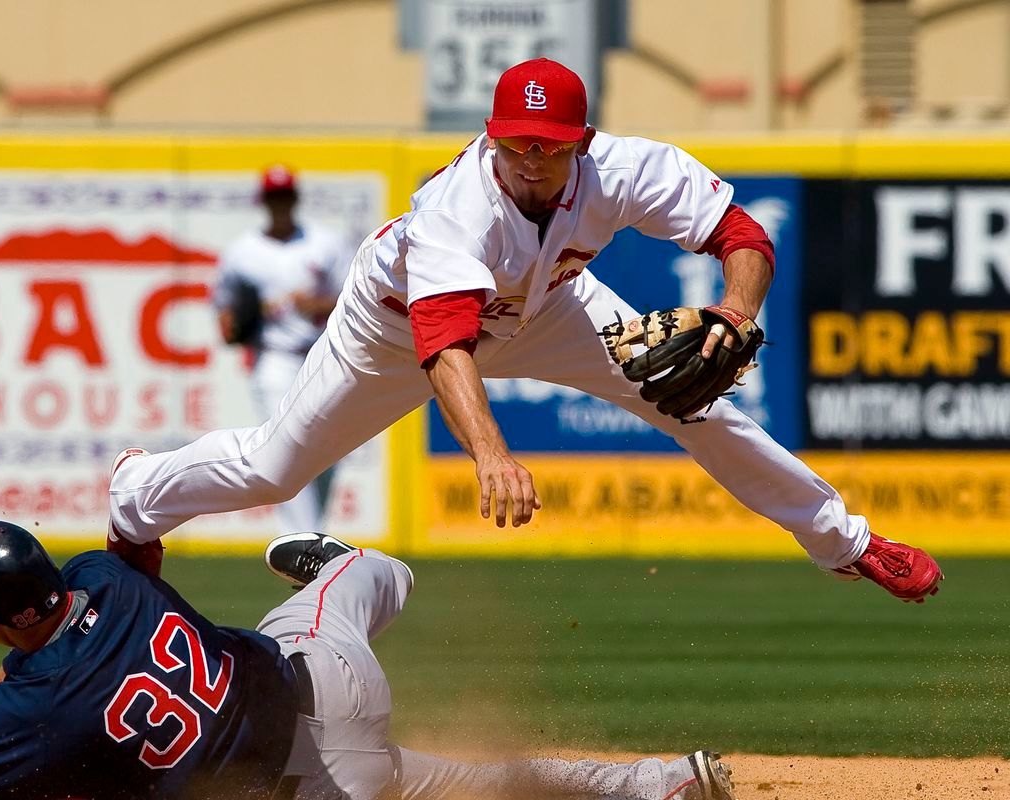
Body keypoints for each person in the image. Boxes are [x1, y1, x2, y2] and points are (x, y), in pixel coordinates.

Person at [106, 58, 941, 603]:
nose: (531, 157)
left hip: (552, 309)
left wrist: (735, 311)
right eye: (515, 141)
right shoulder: (454, 209)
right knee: (276, 468)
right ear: (491, 135)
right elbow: (443, 341)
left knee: (703, 409)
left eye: (549, 144)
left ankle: (847, 544)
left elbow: (743, 236)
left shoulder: (624, 169)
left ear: (580, 141)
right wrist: (491, 453)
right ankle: (136, 497)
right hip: (393, 331)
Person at [0, 522, 737, 800]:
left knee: (486, 785)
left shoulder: (27, 719)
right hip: (323, 674)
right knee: (371, 574)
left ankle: (659, 785)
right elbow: (69, 619)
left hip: (322, 786)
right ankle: (665, 783)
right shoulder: (100, 579)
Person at [214, 164, 353, 533]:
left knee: (327, 451)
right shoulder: (243, 253)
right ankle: (305, 543)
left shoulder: (324, 243)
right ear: (265, 202)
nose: (280, 204)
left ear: (295, 198)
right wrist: (247, 316)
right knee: (290, 448)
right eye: (273, 198)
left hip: (324, 356)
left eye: (285, 196)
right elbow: (227, 318)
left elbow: (356, 299)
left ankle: (311, 538)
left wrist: (319, 304)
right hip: (275, 358)